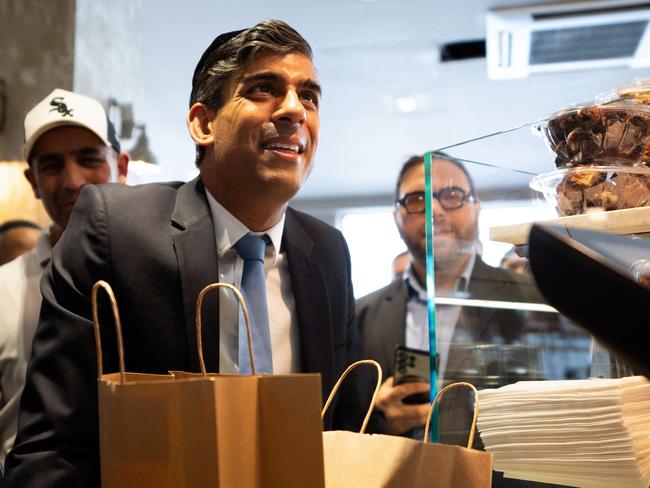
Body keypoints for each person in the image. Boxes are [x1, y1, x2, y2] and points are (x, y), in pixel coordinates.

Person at [3, 20, 371, 487]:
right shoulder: (116, 228)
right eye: (264, 89)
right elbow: (52, 447)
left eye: (310, 96)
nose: (295, 110)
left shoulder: (329, 253)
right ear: (203, 123)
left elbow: (350, 432)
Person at [357, 154, 545, 438]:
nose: (434, 210)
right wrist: (382, 421)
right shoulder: (360, 315)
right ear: (397, 217)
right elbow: (340, 420)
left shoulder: (530, 298)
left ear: (477, 208)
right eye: (416, 200)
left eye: (452, 195)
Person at [0, 88, 129, 473]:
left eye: (89, 159)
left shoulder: (161, 274)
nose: (73, 181)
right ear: (34, 181)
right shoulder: (3, 291)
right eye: (53, 166)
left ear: (120, 166)